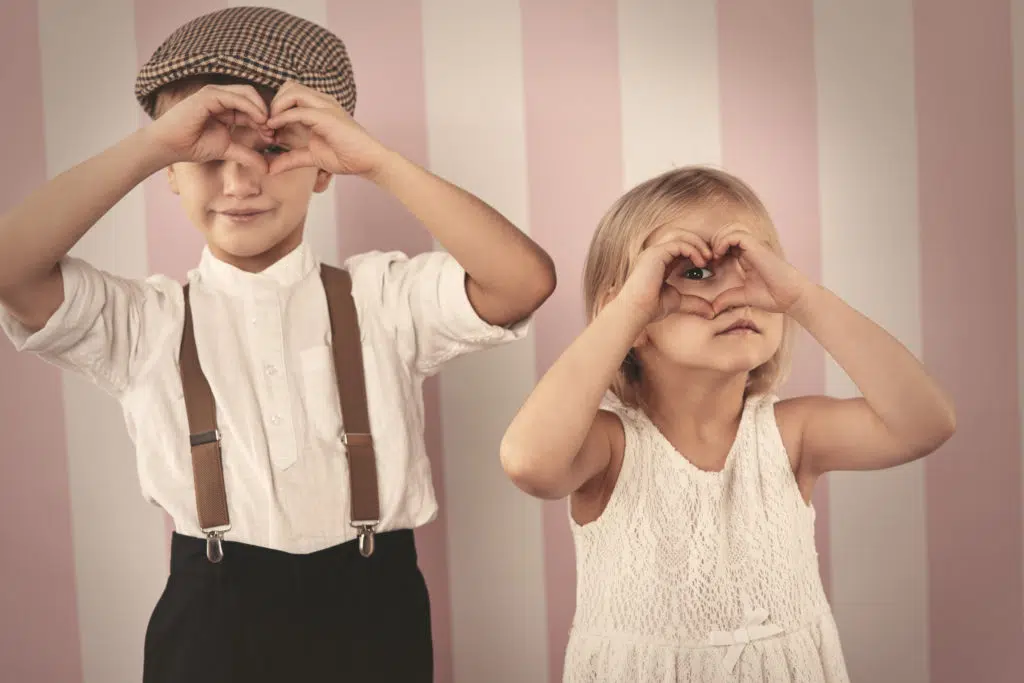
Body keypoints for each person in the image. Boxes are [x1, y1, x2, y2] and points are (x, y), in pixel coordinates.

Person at [0, 7, 555, 682]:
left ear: (321, 165)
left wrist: (376, 160)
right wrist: (148, 148)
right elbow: (10, 268)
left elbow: (522, 281)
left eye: (269, 149)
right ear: (171, 171)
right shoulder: (144, 322)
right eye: (204, 157)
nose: (238, 183)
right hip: (210, 625)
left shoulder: (381, 298)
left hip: (374, 619)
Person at [500, 165, 954, 682]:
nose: (737, 292)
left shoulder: (791, 434)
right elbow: (528, 463)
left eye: (753, 267)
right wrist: (627, 310)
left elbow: (925, 423)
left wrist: (802, 297)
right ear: (631, 314)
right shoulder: (611, 446)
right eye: (694, 272)